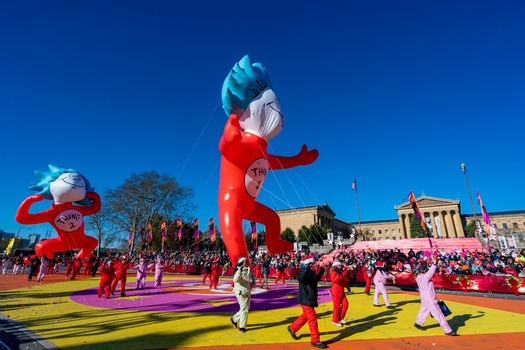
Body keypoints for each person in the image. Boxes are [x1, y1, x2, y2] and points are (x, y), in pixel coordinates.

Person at [287, 257, 327, 349]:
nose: (315, 265)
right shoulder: (303, 271)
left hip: (308, 298)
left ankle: (292, 328)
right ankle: (315, 340)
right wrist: (306, 268)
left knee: (306, 316)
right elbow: (300, 278)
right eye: (313, 263)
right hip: (306, 299)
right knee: (312, 319)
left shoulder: (311, 271)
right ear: (309, 264)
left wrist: (321, 271)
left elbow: (315, 280)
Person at [414, 258, 458, 336]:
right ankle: (447, 330)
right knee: (438, 314)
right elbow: (430, 272)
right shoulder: (425, 277)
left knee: (424, 309)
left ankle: (418, 322)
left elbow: (429, 273)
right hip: (429, 298)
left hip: (424, 297)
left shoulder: (418, 277)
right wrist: (434, 264)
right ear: (424, 271)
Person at [230, 257, 255, 334]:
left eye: (246, 261)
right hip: (241, 292)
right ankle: (242, 327)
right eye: (244, 262)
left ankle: (234, 319)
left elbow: (251, 278)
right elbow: (235, 280)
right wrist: (239, 271)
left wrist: (253, 284)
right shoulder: (238, 270)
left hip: (247, 292)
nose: (246, 263)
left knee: (246, 308)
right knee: (244, 309)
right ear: (241, 263)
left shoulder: (248, 270)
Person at [329, 260, 349, 327]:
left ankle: (340, 318)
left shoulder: (340, 272)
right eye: (339, 265)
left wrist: (347, 286)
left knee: (345, 304)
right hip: (336, 291)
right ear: (336, 266)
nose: (341, 266)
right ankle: (335, 320)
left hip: (341, 290)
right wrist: (339, 275)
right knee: (336, 306)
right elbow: (334, 281)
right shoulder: (334, 273)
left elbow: (343, 281)